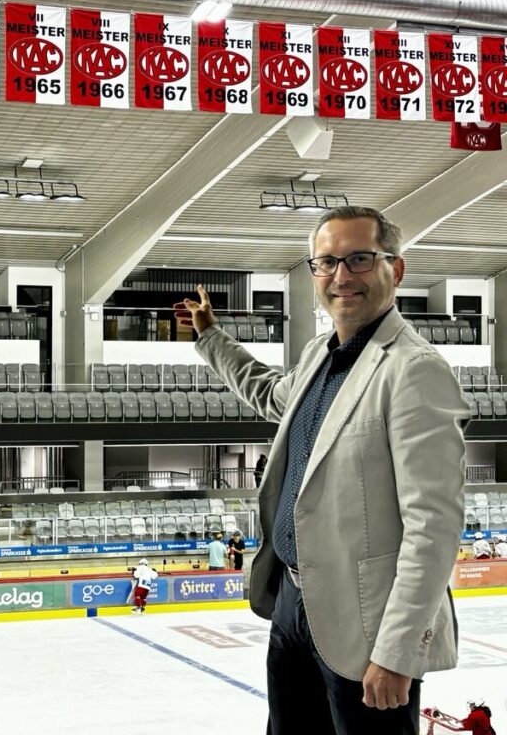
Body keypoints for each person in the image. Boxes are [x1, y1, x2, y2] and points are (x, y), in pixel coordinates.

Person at [174, 206, 468, 735]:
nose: (341, 276)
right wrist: (210, 337)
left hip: (365, 620)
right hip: (292, 603)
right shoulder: (318, 354)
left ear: (394, 270)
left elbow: (434, 527)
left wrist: (398, 652)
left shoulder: (414, 371)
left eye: (359, 259)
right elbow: (267, 394)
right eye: (326, 262)